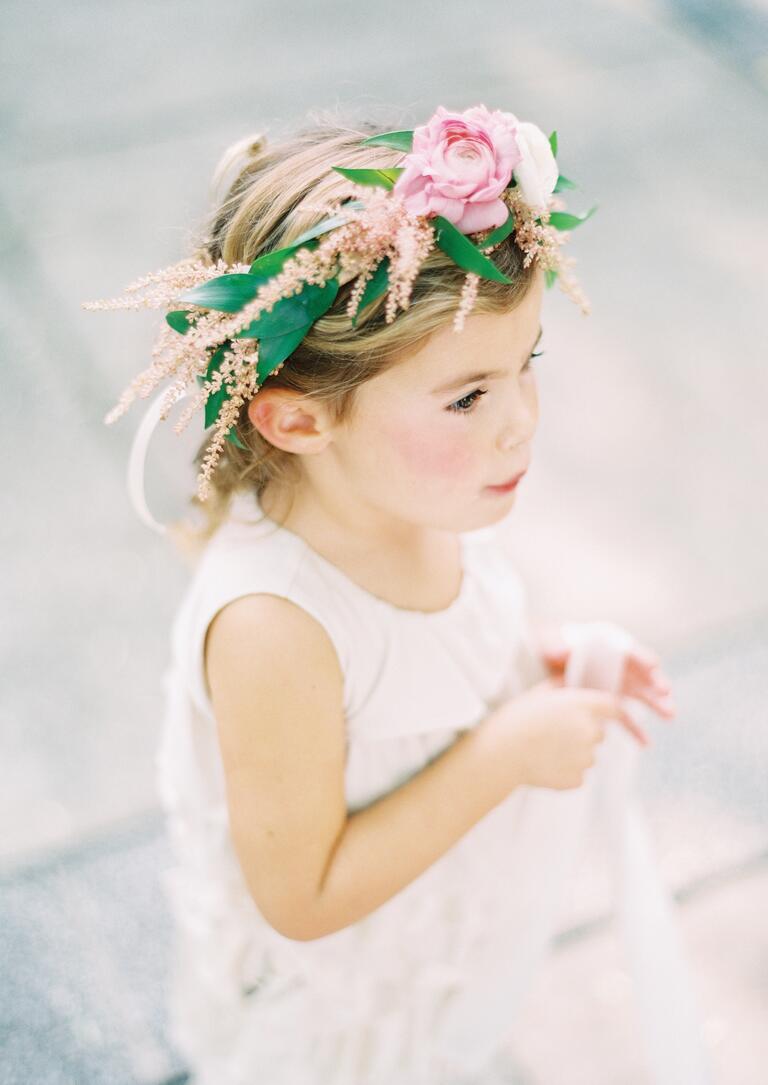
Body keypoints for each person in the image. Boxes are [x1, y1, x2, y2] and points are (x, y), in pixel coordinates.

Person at [84, 105, 711, 1084]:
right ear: (298, 421)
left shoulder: (406, 500)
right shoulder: (273, 626)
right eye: (468, 396)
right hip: (338, 1018)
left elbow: (417, 667)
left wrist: (533, 660)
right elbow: (304, 891)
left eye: (525, 366)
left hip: (427, 952)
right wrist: (506, 751)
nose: (520, 424)